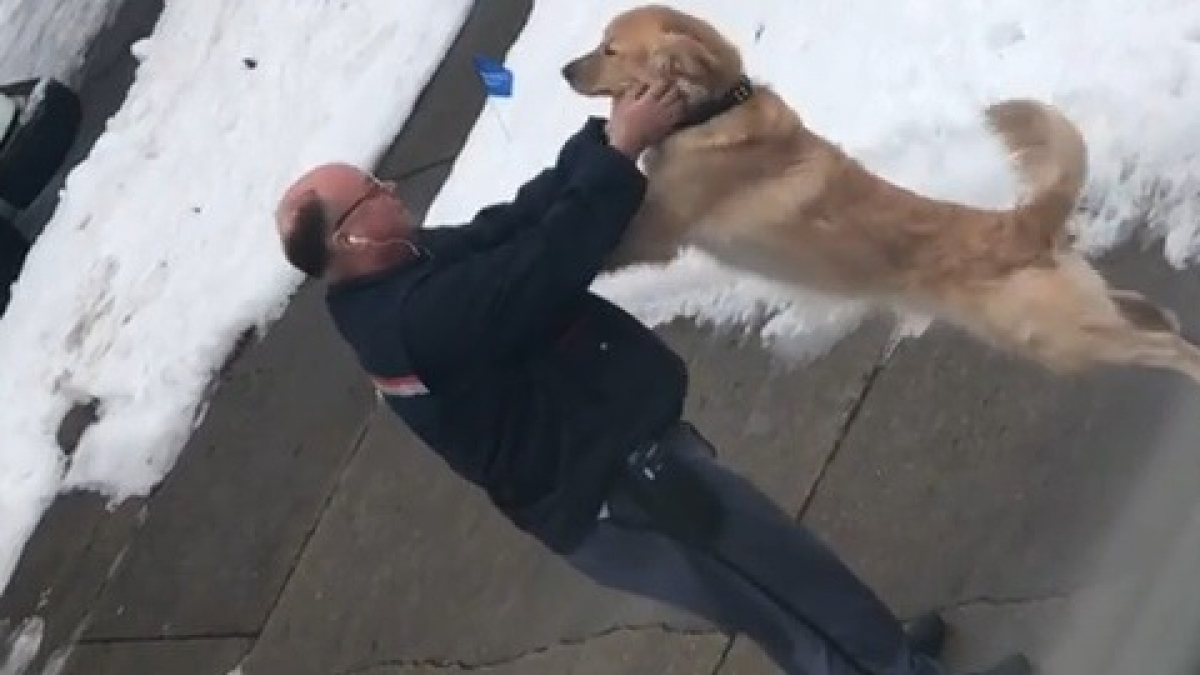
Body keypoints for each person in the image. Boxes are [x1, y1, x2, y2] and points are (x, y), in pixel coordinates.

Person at [273, 81, 1032, 675]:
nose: (390, 186)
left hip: (628, 462)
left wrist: (607, 141)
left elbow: (511, 223)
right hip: (620, 491)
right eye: (373, 189)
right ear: (351, 234)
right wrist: (615, 158)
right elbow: (543, 264)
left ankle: (878, 654)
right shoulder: (412, 319)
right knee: (780, 590)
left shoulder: (400, 268)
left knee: (786, 575)